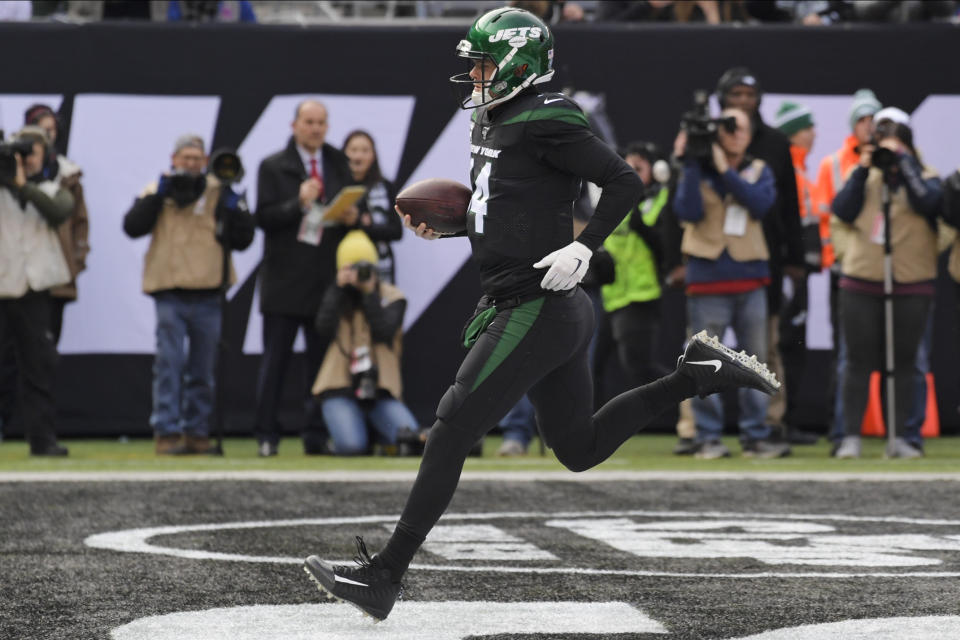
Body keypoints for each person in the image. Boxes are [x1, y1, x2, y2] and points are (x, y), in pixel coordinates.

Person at [302, 7, 780, 622]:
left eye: (481, 63)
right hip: (536, 303)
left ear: (516, 65)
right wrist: (450, 229)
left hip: (537, 305)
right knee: (578, 447)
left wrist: (585, 245)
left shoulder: (547, 116)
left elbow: (624, 182)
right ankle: (695, 376)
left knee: (450, 428)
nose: (472, 74)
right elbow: (509, 210)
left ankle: (385, 575)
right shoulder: (496, 121)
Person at [123, 134, 255, 455]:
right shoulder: (158, 188)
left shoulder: (218, 191)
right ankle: (166, 432)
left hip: (209, 289)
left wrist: (234, 207)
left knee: (202, 367)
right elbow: (132, 226)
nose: (192, 164)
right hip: (169, 288)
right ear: (174, 158)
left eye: (197, 159)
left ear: (206, 160)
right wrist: (158, 197)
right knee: (169, 363)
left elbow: (244, 239)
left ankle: (197, 432)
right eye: (186, 158)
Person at [673, 108, 790, 460]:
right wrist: (693, 162)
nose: (736, 133)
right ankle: (707, 436)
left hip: (750, 279)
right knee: (704, 361)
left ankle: (756, 436)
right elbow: (687, 212)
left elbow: (759, 204)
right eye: (728, 127)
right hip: (707, 280)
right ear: (716, 134)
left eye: (741, 128)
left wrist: (724, 168)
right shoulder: (696, 169)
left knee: (756, 361)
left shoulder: (759, 170)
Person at [830, 119, 942, 459]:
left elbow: (932, 205)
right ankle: (849, 436)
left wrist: (906, 167)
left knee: (905, 361)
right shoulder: (862, 176)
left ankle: (903, 437)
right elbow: (842, 209)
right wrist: (865, 169)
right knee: (857, 361)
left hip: (912, 280)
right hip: (862, 277)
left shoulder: (926, 176)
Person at [715, 67, 811, 446]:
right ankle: (698, 429)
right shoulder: (707, 137)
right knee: (704, 347)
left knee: (766, 347)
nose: (742, 102)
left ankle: (771, 420)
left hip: (764, 258)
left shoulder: (774, 141)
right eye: (735, 95)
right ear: (722, 99)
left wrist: (795, 256)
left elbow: (789, 202)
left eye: (748, 96)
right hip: (712, 257)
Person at [254, 100, 355, 457]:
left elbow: (346, 209)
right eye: (309, 122)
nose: (315, 128)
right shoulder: (272, 166)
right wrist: (297, 203)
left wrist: (349, 215)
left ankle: (315, 435)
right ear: (294, 125)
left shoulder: (338, 162)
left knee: (319, 365)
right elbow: (263, 218)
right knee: (275, 363)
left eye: (321, 123)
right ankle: (267, 435)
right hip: (283, 280)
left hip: (324, 280)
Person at [0, 126, 74, 456]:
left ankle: (42, 441)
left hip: (34, 290)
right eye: (21, 153)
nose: (26, 159)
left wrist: (21, 185)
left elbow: (58, 212)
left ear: (45, 156)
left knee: (38, 367)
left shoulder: (51, 187)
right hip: (2, 285)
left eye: (33, 153)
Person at [311, 231, 418, 455]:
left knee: (411, 440)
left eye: (363, 268)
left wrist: (369, 293)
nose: (357, 275)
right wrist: (338, 288)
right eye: (351, 269)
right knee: (351, 446)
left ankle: (378, 435)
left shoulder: (392, 297)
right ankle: (356, 435)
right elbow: (322, 329)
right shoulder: (337, 295)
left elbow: (383, 332)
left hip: (380, 391)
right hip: (340, 388)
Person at [815, 88, 881, 450]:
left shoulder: (895, 158)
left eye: (874, 119)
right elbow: (830, 217)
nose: (869, 126)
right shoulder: (834, 163)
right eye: (863, 119)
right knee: (847, 354)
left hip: (888, 270)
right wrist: (840, 259)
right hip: (848, 270)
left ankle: (901, 432)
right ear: (854, 125)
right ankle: (842, 431)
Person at [599, 141, 670, 393]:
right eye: (626, 168)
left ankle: (687, 402)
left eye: (638, 168)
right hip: (611, 294)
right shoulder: (614, 200)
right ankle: (588, 428)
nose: (631, 174)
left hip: (642, 294)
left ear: (657, 171)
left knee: (639, 366)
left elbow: (666, 247)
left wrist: (641, 220)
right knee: (592, 365)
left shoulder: (664, 199)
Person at [773, 100, 822, 440]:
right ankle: (779, 422)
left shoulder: (802, 169)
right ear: (792, 134)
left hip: (800, 271)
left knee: (793, 345)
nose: (814, 133)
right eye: (807, 127)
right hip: (789, 272)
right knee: (785, 344)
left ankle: (786, 420)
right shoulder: (786, 167)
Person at [24, 104, 91, 344]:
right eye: (42, 131)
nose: (48, 135)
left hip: (56, 279)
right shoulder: (12, 174)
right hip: (18, 279)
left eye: (51, 130)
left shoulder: (67, 174)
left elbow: (76, 220)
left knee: (46, 352)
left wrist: (76, 260)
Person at [342, 130, 403, 283]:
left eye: (364, 150)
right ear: (344, 153)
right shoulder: (335, 187)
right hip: (342, 269)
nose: (358, 156)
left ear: (373, 155)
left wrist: (364, 226)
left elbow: (396, 231)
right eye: (353, 150)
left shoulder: (385, 186)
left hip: (379, 269)